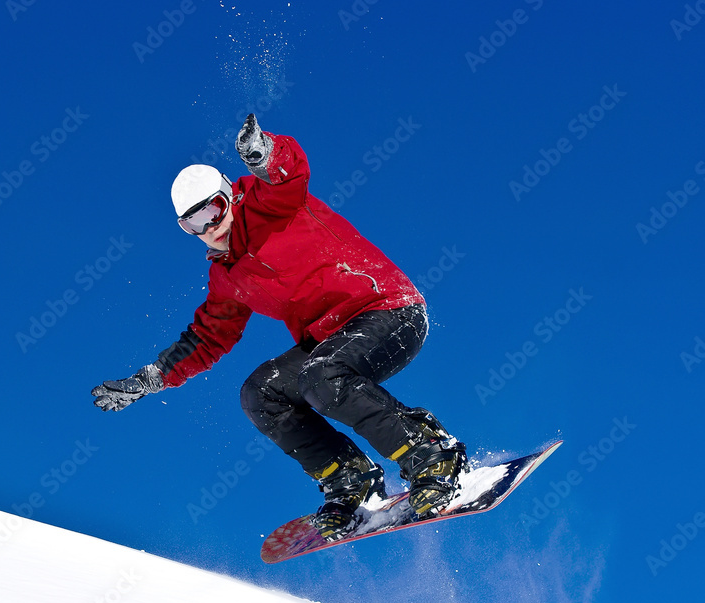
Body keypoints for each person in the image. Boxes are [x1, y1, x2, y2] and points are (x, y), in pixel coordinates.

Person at [92, 114, 468, 539]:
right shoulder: (226, 278)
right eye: (194, 224)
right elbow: (207, 337)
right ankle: (350, 479)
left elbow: (289, 174)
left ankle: (428, 452)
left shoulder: (265, 201)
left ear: (228, 197)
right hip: (331, 340)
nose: (210, 227)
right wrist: (151, 379)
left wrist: (264, 154)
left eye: (214, 210)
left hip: (387, 310)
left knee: (321, 376)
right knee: (261, 393)